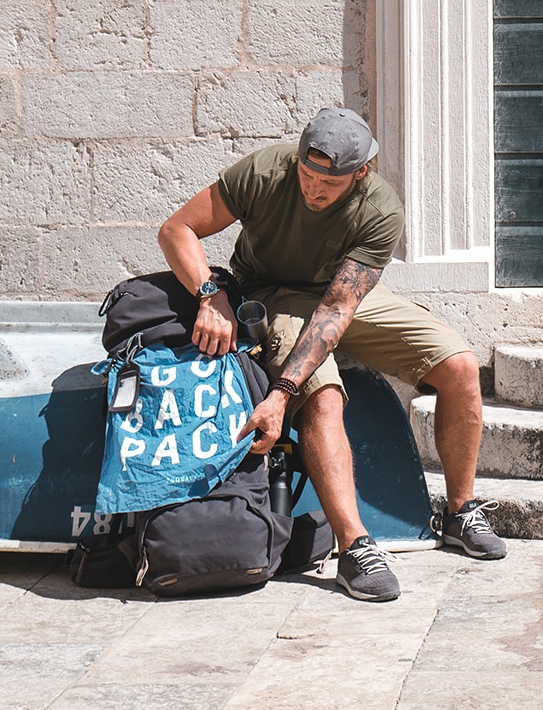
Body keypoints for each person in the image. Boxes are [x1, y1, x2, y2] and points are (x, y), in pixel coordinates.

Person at [156, 107, 506, 601]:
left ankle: (459, 510)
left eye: (330, 182)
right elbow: (177, 230)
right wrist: (209, 294)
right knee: (322, 396)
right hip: (272, 292)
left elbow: (339, 308)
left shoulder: (380, 210)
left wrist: (279, 394)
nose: (313, 189)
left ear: (361, 173)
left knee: (459, 366)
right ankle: (355, 547)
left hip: (341, 297)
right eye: (307, 173)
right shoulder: (264, 171)